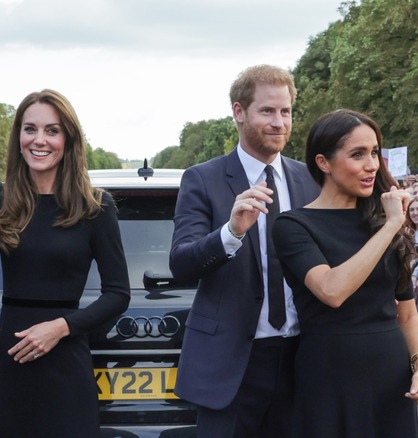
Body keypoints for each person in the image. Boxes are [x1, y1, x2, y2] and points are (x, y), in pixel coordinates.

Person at [0, 90, 130, 437]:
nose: (40, 140)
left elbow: (117, 293)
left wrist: (60, 328)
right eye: (30, 129)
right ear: (18, 137)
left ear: (68, 139)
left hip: (66, 361)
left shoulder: (96, 206)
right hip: (13, 359)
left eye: (52, 130)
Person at [169, 65, 320, 437]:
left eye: (285, 111)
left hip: (302, 362)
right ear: (239, 112)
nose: (279, 122)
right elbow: (182, 264)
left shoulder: (310, 180)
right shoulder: (202, 179)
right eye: (267, 111)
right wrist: (231, 232)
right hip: (232, 367)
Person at [272, 109, 418, 437]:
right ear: (324, 163)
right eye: (358, 154)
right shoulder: (293, 225)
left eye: (374, 152)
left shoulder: (379, 220)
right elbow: (332, 291)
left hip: (390, 377)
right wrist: (391, 226)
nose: (372, 164)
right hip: (329, 377)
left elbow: (406, 314)